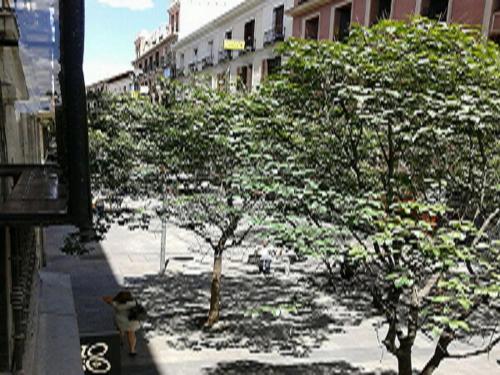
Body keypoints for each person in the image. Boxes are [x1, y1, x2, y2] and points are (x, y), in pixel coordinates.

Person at [102, 291, 140, 356]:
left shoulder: (117, 304)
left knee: (120, 331)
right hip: (132, 322)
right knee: (131, 334)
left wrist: (113, 298)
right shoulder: (134, 303)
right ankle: (132, 350)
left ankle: (121, 341)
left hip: (121, 322)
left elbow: (106, 299)